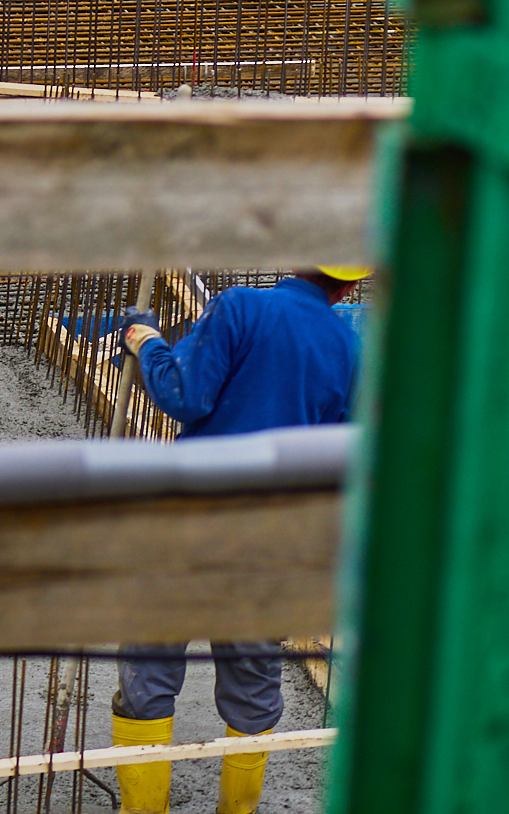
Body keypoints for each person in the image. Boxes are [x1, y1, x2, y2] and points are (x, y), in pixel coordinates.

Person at [106, 266, 368, 814]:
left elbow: (184, 394)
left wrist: (145, 342)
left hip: (189, 526)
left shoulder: (240, 308)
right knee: (252, 684)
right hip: (269, 542)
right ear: (348, 287)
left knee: (149, 670)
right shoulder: (347, 344)